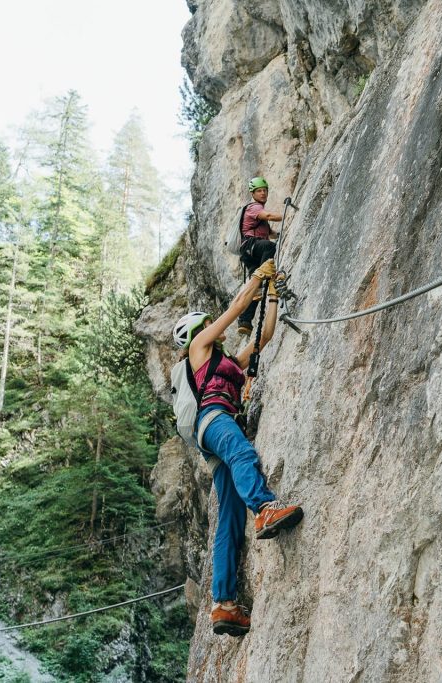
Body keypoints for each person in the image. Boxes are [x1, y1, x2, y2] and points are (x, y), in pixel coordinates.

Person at [172, 259, 303, 637]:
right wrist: (257, 278)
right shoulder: (198, 347)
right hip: (213, 420)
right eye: (207, 325)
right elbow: (233, 311)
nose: (215, 329)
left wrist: (272, 294)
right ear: (198, 331)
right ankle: (264, 508)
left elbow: (262, 338)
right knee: (244, 453)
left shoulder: (225, 362)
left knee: (228, 521)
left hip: (210, 437)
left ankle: (224, 604)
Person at [237, 176, 285, 335]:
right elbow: (270, 216)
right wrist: (285, 214)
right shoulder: (254, 207)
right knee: (269, 247)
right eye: (259, 191)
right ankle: (264, 280)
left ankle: (245, 321)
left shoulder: (257, 214)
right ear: (253, 193)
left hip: (251, 252)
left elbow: (270, 233)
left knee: (254, 288)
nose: (263, 193)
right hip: (252, 247)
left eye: (265, 190)